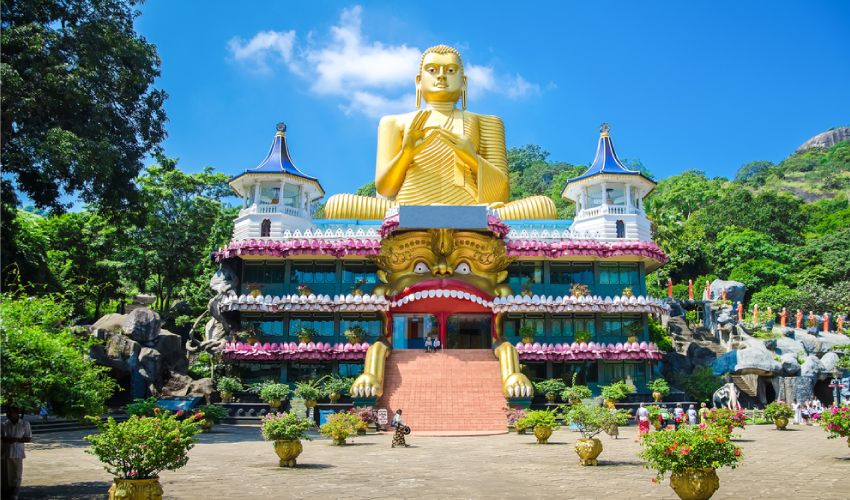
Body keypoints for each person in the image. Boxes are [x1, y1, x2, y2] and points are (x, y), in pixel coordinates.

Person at [323, 45, 557, 220]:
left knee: (544, 206)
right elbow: (385, 189)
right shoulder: (394, 122)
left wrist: (472, 159)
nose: (441, 76)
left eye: (451, 70)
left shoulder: (487, 122)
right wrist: (406, 153)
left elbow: (502, 195)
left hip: (472, 211)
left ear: (463, 83)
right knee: (336, 205)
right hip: (406, 210)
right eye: (432, 70)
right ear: (418, 81)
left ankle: (449, 218)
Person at [1, 406, 31, 500]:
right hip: (6, 453)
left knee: (16, 474)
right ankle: (5, 492)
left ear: (17, 412)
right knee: (5, 474)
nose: (8, 414)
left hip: (17, 452)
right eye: (7, 412)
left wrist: (17, 439)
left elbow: (28, 438)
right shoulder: (4, 424)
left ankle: (14, 493)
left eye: (10, 412)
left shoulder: (24, 424)